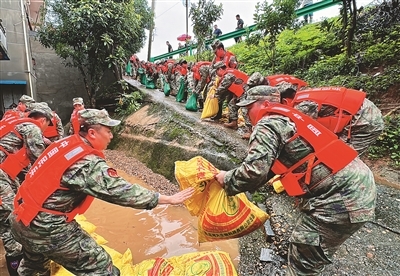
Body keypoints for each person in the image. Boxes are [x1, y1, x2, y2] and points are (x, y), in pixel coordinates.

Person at [214, 86, 376, 275]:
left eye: (248, 108)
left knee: (303, 262)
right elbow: (266, 170)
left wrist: (227, 179)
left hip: (340, 199)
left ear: (265, 104)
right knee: (306, 249)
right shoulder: (291, 117)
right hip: (356, 187)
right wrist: (233, 179)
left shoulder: (267, 124)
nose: (246, 114)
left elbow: (254, 172)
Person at [10, 109, 195, 275]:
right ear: (92, 132)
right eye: (108, 131)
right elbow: (121, 191)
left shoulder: (65, 143)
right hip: (45, 228)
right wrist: (166, 199)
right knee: (103, 268)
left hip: (19, 218)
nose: (112, 136)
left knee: (33, 268)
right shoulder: (86, 162)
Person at [0, 103, 53, 275]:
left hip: (6, 176)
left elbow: (21, 167)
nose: (45, 128)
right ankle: (17, 269)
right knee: (9, 222)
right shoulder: (32, 128)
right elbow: (39, 162)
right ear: (43, 119)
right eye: (47, 125)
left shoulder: (16, 125)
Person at [280, 86, 385, 155]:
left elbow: (300, 133)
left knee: (344, 156)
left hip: (365, 119)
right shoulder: (304, 95)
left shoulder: (303, 105)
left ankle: (351, 185)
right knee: (335, 152)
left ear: (285, 101)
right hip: (361, 112)